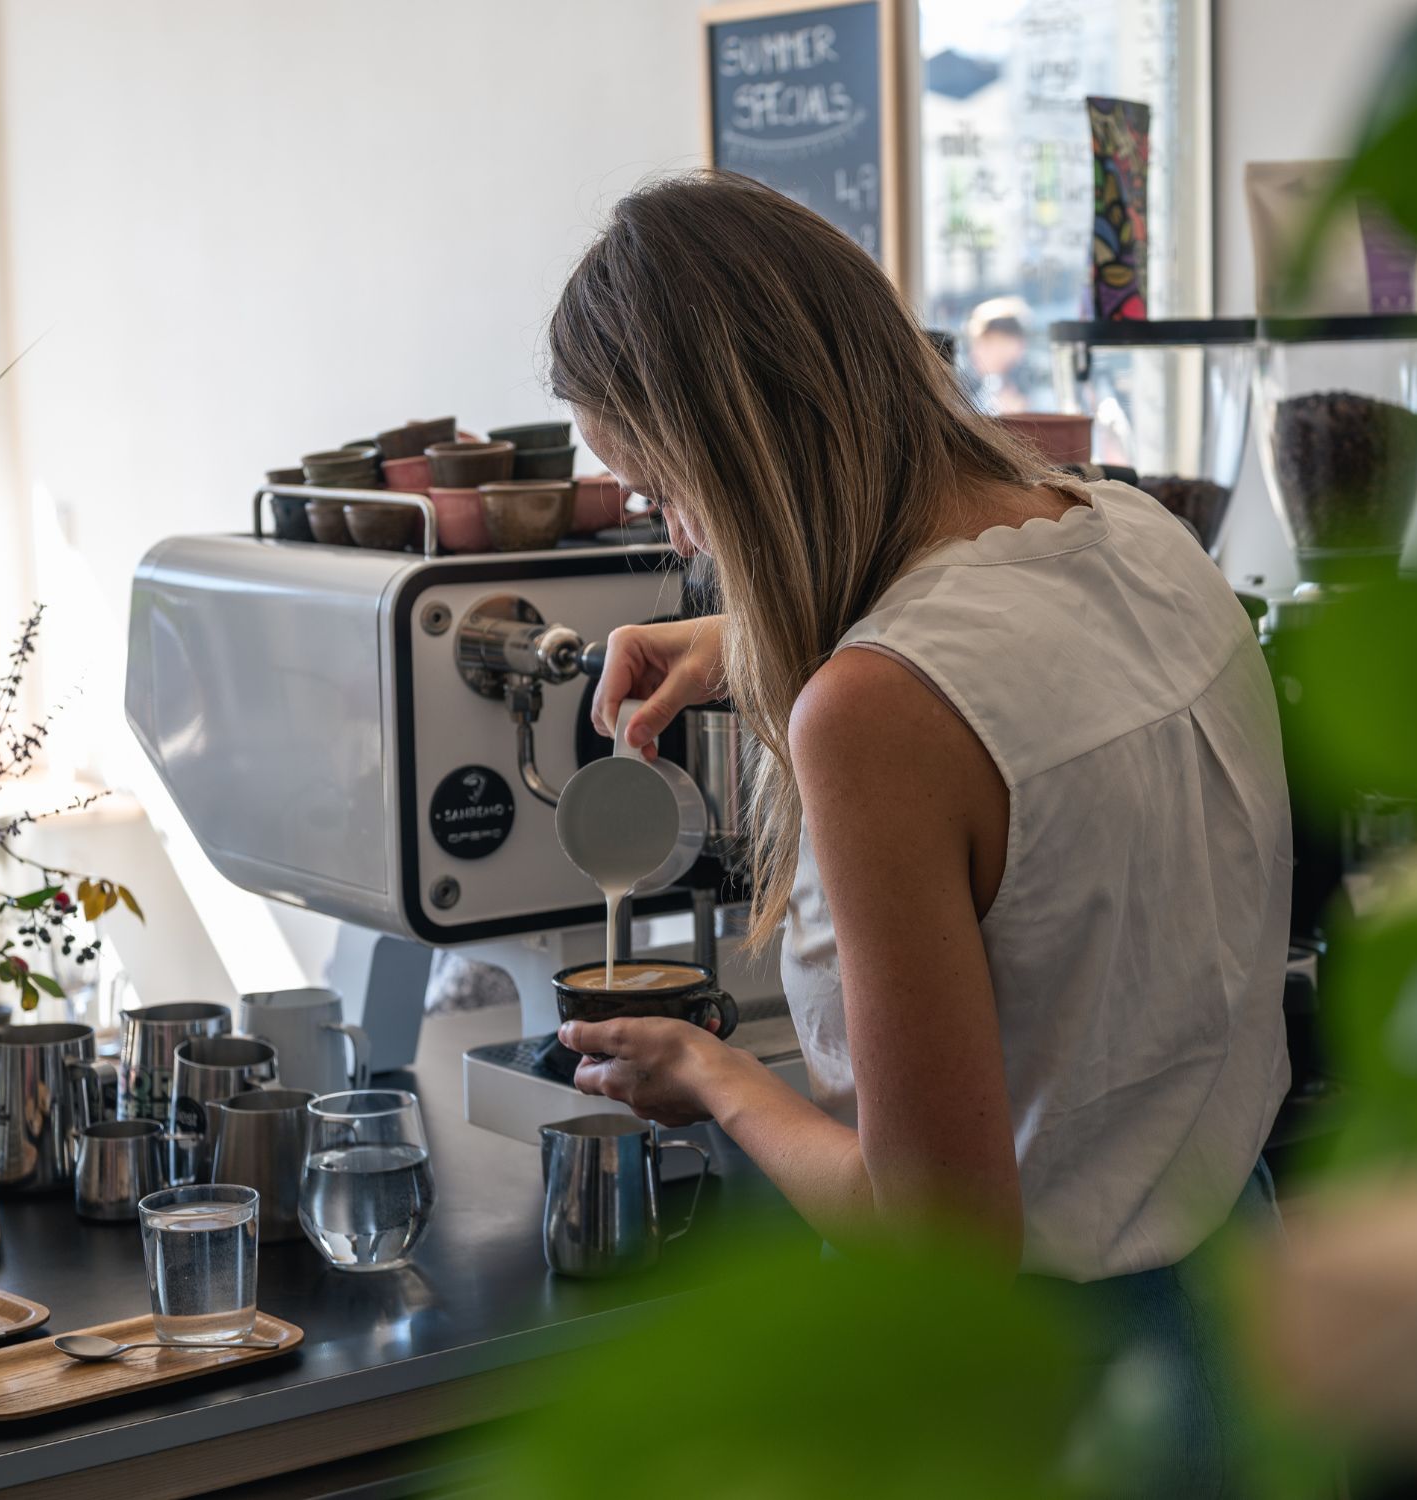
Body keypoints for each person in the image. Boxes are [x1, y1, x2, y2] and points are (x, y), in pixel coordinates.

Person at [547, 172, 1292, 1489]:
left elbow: (942, 1249)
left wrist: (716, 1079)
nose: (683, 537)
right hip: (1240, 1324)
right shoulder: (1134, 535)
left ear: (732, 454)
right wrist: (747, 643)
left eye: (663, 492)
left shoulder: (874, 715)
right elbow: (1012, 659)